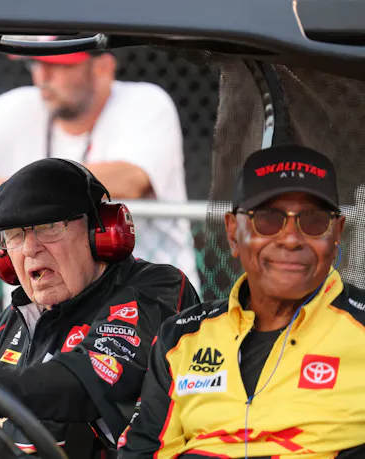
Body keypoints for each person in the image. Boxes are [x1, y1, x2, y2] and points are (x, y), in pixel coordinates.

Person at [0, 158, 200, 458]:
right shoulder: (9, 327)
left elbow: (87, 382)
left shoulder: (154, 290)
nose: (31, 249)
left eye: (50, 227)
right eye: (14, 235)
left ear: (99, 230)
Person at [118, 145, 365, 458]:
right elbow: (143, 451)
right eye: (268, 219)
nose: (291, 238)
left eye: (313, 220)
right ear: (233, 233)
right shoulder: (181, 337)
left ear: (337, 233)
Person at [0, 35, 201, 294]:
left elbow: (130, 178)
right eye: (37, 64)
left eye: (59, 65)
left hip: (147, 302)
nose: (42, 76)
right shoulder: (19, 106)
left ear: (102, 68)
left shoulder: (145, 102)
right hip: (45, 310)